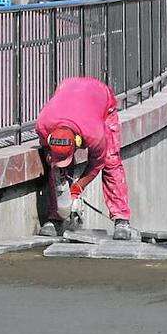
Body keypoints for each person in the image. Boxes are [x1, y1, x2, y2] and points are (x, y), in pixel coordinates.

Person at [36, 77, 134, 239]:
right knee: (56, 169)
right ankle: (56, 218)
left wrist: (78, 187)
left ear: (78, 141)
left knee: (111, 161)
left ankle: (121, 219)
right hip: (68, 89)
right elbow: (48, 154)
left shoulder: (94, 133)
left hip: (100, 96)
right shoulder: (43, 124)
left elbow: (97, 163)